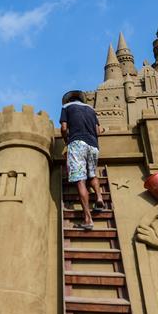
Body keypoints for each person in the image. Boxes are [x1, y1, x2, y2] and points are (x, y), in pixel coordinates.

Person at [60, 90, 105, 230]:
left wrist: (67, 140)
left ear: (67, 100)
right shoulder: (91, 110)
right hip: (93, 145)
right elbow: (98, 131)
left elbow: (64, 128)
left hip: (77, 143)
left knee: (80, 180)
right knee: (92, 173)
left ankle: (88, 219)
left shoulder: (66, 108)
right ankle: (99, 197)